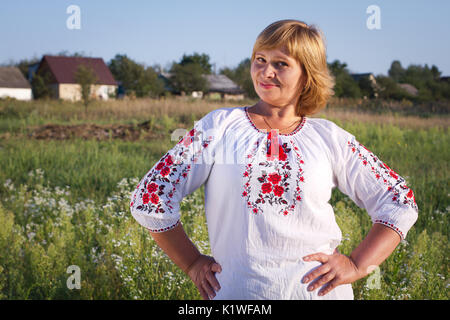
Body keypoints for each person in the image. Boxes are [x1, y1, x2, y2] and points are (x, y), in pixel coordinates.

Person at [129, 19, 418, 300]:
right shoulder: (219, 127)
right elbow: (151, 195)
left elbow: (398, 199)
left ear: (307, 74)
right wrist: (191, 263)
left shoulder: (330, 138)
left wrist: (356, 264)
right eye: (260, 59)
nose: (266, 72)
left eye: (281, 63)